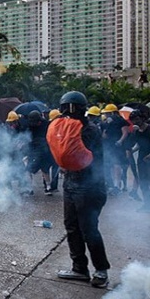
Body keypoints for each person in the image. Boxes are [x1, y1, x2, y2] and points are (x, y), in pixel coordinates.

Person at [52, 91, 110, 288]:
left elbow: (82, 157)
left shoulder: (88, 130)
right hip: (71, 183)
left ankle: (101, 270)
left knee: (89, 230)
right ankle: (79, 269)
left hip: (89, 186)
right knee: (71, 227)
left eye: (65, 108)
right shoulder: (72, 127)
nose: (62, 113)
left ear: (73, 108)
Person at [100, 103, 129, 194]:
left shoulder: (121, 121)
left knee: (117, 165)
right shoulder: (106, 123)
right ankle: (112, 185)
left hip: (118, 146)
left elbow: (125, 132)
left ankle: (117, 185)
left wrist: (120, 141)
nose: (107, 115)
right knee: (110, 166)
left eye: (109, 113)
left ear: (113, 113)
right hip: (109, 147)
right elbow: (104, 135)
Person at [25, 110, 55, 195]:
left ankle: (48, 187)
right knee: (28, 170)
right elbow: (27, 137)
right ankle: (29, 188)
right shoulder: (29, 126)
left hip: (45, 150)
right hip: (33, 150)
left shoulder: (46, 124)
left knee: (45, 169)